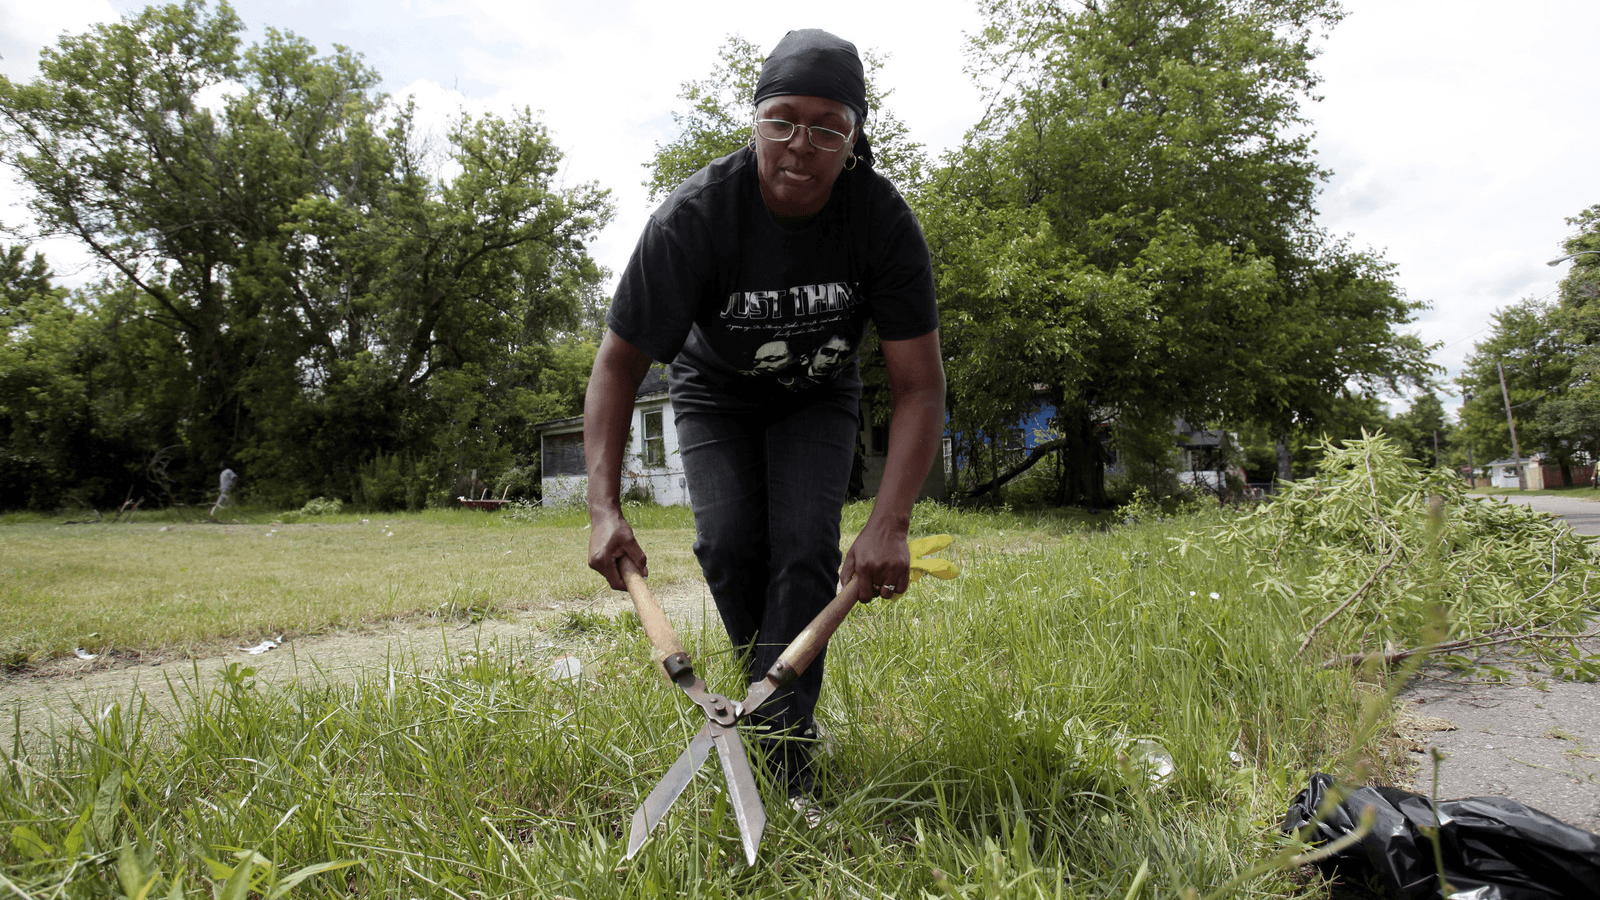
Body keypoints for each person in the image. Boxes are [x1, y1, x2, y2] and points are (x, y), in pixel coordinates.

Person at [584, 28, 945, 799]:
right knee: (726, 544)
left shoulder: (880, 221)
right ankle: (763, 696)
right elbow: (618, 366)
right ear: (753, 124)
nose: (799, 145)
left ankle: (784, 754)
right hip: (717, 389)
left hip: (818, 391)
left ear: (853, 140)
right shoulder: (695, 217)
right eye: (780, 120)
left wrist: (892, 522)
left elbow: (919, 385)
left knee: (807, 550)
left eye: (826, 128)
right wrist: (602, 508)